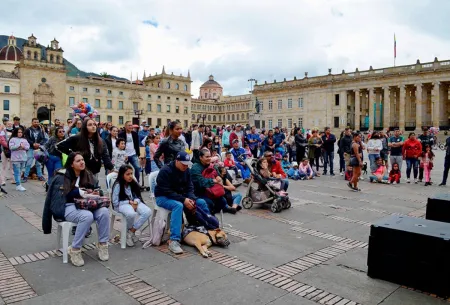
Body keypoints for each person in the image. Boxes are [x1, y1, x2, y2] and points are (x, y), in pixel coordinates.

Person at [154, 151, 208, 254]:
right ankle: (174, 240)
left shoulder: (186, 170)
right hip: (163, 196)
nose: (185, 166)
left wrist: (191, 198)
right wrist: (183, 200)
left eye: (187, 164)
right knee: (178, 206)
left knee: (201, 202)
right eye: (183, 164)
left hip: (180, 196)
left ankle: (205, 229)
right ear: (177, 161)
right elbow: (166, 191)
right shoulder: (165, 171)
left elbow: (190, 186)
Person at [63, 152, 109, 267]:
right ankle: (75, 249)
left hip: (88, 204)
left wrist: (96, 192)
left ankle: (103, 244)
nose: (82, 162)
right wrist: (81, 192)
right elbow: (65, 194)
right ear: (72, 164)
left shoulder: (87, 174)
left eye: (82, 160)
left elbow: (97, 188)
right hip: (70, 206)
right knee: (87, 216)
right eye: (78, 161)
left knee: (104, 212)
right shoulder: (64, 175)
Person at [112, 164, 152, 247]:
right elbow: (115, 202)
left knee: (147, 211)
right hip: (121, 204)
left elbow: (137, 196)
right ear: (122, 175)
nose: (130, 176)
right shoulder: (118, 185)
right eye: (127, 174)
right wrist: (129, 202)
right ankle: (128, 233)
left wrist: (136, 202)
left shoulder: (133, 183)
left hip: (133, 202)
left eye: (131, 173)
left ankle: (131, 232)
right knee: (131, 214)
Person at [191, 148, 233, 214]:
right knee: (209, 203)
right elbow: (201, 182)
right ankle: (209, 219)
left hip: (211, 191)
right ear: (201, 157)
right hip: (199, 193)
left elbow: (216, 174)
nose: (209, 158)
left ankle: (214, 214)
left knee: (223, 201)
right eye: (207, 157)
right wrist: (213, 181)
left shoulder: (211, 165)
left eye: (210, 156)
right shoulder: (195, 168)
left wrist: (218, 177)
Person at [9, 127, 29, 192]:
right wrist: (19, 146)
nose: (20, 133)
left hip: (23, 158)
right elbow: (11, 147)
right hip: (15, 158)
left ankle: (18, 184)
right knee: (17, 172)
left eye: (21, 132)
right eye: (18, 132)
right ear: (16, 133)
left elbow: (27, 147)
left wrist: (24, 147)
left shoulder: (24, 139)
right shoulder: (12, 139)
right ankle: (18, 185)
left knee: (20, 172)